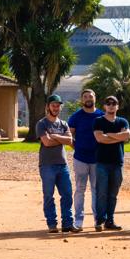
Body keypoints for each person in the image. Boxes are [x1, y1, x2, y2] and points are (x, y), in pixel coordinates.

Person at [36, 94, 75, 234]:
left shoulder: (64, 123)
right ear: (48, 106)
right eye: (53, 105)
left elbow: (70, 140)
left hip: (62, 164)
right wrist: (62, 139)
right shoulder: (42, 123)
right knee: (48, 195)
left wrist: (56, 136)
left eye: (58, 105)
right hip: (47, 165)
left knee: (67, 194)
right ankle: (52, 224)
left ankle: (67, 224)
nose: (56, 108)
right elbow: (46, 142)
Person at [93, 95, 130, 231]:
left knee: (113, 194)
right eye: (108, 103)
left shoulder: (122, 121)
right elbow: (99, 139)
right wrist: (117, 137)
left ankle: (110, 221)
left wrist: (108, 135)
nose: (111, 105)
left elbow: (126, 136)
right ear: (104, 106)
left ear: (117, 106)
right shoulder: (98, 121)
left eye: (114, 103)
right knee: (101, 193)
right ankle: (100, 221)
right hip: (102, 162)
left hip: (117, 163)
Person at [68, 89, 103, 232]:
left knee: (96, 190)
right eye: (85, 96)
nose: (88, 98)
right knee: (80, 189)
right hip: (80, 159)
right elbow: (70, 135)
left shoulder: (101, 115)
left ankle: (97, 220)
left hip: (97, 159)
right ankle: (79, 220)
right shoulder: (76, 116)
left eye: (91, 96)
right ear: (82, 99)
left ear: (95, 98)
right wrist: (76, 147)